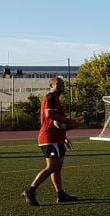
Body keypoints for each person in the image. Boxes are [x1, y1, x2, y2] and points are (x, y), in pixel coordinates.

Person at [22, 77, 77, 206]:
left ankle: (60, 194)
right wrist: (69, 121)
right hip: (48, 138)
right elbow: (50, 115)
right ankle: (30, 190)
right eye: (59, 83)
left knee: (57, 168)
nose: (62, 85)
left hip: (56, 138)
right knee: (52, 166)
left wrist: (64, 137)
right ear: (51, 85)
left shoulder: (57, 100)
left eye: (63, 84)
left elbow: (56, 124)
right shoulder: (50, 97)